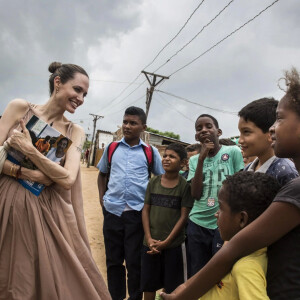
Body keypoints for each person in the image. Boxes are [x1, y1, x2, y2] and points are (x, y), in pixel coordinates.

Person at [160, 67, 300, 300]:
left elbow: (235, 248)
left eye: (280, 118)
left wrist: (183, 294)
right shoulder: (251, 169)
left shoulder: (289, 179)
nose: (273, 128)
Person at [0, 62, 111, 300]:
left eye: (85, 94)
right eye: (78, 90)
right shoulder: (20, 108)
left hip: (41, 213)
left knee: (29, 276)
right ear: (58, 82)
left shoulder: (74, 131)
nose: (81, 98)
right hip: (3, 198)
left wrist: (30, 151)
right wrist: (25, 173)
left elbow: (68, 179)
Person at [97, 106, 164, 300]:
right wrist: (102, 200)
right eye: (125, 122)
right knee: (113, 261)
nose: (127, 126)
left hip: (137, 214)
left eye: (133, 123)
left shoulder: (150, 152)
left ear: (143, 126)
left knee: (135, 262)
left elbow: (161, 180)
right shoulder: (112, 148)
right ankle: (116, 296)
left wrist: (153, 208)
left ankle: (135, 297)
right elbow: (102, 174)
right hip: (112, 212)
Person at [201, 172, 280, 300]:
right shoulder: (245, 253)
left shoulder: (245, 267)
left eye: (221, 208)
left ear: (242, 219)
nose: (216, 214)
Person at [186, 114, 244, 277]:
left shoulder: (232, 151)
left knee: (222, 273)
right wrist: (201, 159)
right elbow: (195, 194)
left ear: (218, 132)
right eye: (199, 129)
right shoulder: (194, 160)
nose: (204, 130)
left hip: (224, 223)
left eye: (208, 126)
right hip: (198, 222)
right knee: (198, 271)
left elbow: (240, 187)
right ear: (197, 136)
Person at [141, 143, 194, 300]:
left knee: (171, 287)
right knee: (148, 285)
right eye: (165, 156)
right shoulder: (154, 182)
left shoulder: (185, 186)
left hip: (173, 246)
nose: (167, 159)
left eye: (172, 156)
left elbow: (184, 217)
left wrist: (166, 242)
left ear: (183, 163)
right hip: (149, 245)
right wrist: (149, 238)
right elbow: (145, 210)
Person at [238, 97, 298, 186]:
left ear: (270, 133)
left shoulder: (286, 172)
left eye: (246, 132)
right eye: (240, 133)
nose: (240, 140)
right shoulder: (248, 170)